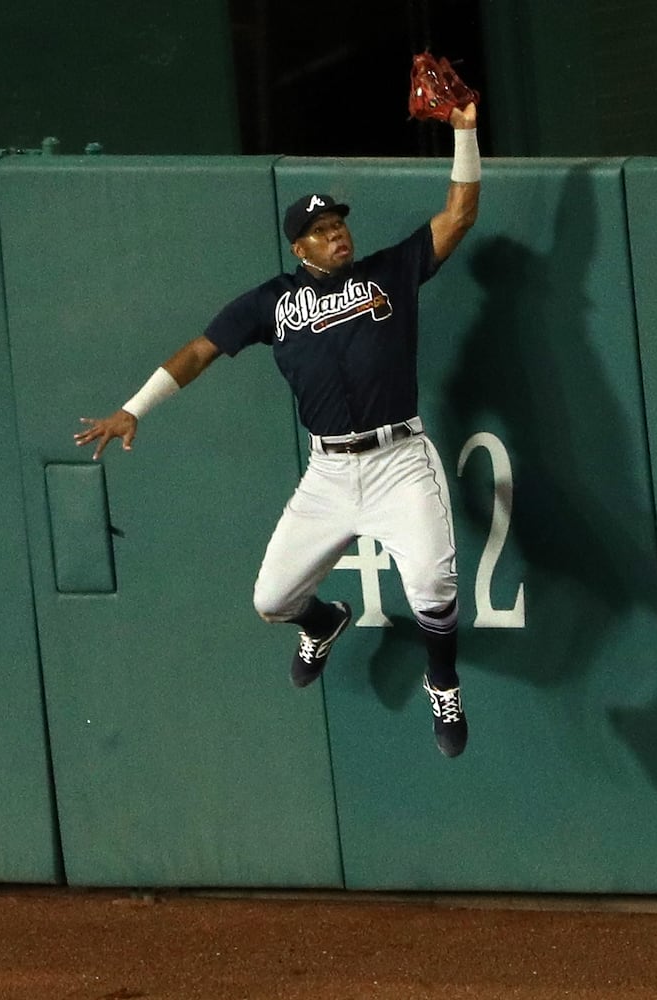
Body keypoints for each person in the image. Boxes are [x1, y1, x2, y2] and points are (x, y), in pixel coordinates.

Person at [74, 104, 481, 759]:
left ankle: (443, 684)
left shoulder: (389, 271)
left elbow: (459, 214)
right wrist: (134, 408)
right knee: (271, 598)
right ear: (300, 248)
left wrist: (463, 128)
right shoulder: (272, 302)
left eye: (339, 224)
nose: (337, 236)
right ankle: (323, 623)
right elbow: (200, 350)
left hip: (400, 457)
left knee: (433, 588)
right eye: (321, 231)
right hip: (329, 473)